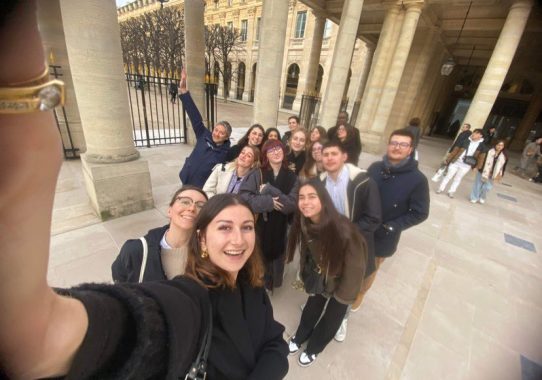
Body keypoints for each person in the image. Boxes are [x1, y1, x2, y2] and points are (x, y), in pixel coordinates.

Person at [0, 5, 289, 379]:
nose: (239, 237)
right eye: (225, 227)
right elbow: (133, 326)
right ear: (201, 239)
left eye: (247, 227)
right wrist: (46, 329)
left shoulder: (252, 284)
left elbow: (276, 344)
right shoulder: (192, 297)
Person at [286, 180, 367, 367]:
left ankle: (314, 348)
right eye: (301, 197)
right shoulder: (306, 222)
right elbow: (307, 252)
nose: (306, 202)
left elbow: (355, 269)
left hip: (343, 280)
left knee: (332, 317)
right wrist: (306, 275)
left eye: (312, 196)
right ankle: (300, 336)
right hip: (320, 277)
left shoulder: (345, 230)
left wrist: (342, 296)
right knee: (311, 308)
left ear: (324, 199)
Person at [319, 141, 381, 341]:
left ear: (344, 156)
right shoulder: (320, 181)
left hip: (355, 244)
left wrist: (345, 233)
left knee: (350, 283)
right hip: (331, 243)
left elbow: (373, 218)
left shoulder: (362, 182)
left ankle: (341, 319)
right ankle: (326, 305)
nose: (329, 158)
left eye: (333, 154)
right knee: (331, 275)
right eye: (325, 154)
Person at [364, 128, 430, 304]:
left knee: (367, 274)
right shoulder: (375, 168)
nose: (397, 147)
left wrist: (391, 226)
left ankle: (350, 308)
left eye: (403, 144)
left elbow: (420, 213)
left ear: (410, 149)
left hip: (382, 236)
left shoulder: (418, 180)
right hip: (361, 229)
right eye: (394, 143)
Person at [112, 186, 208, 282]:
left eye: (200, 206)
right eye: (185, 202)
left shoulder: (209, 253)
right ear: (169, 210)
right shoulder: (135, 250)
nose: (192, 208)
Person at [239, 139, 299, 291]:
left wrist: (270, 190)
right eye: (271, 150)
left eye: (278, 148)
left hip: (280, 229)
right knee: (257, 260)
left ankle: (270, 283)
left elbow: (291, 205)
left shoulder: (292, 177)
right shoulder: (257, 174)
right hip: (259, 228)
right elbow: (244, 197)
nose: (276, 152)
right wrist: (268, 202)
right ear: (266, 155)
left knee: (275, 260)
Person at [178, 68, 232, 188]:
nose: (216, 134)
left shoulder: (226, 153)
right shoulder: (204, 134)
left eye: (221, 133)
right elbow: (194, 116)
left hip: (201, 187)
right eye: (216, 130)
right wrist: (184, 91)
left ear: (227, 137)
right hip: (186, 178)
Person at [436, 128, 486, 198]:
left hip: (466, 165)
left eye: (476, 133)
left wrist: (477, 167)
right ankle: (440, 188)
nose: (474, 134)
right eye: (474, 132)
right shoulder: (465, 141)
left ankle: (451, 191)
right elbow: (455, 151)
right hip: (456, 162)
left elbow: (481, 158)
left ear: (480, 136)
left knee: (458, 178)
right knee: (448, 176)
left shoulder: (482, 146)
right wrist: (448, 159)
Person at [470, 140, 508, 204]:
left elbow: (503, 167)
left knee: (487, 187)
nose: (499, 147)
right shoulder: (488, 151)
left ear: (503, 147)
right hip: (483, 170)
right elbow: (481, 159)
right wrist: (476, 167)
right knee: (477, 185)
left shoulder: (504, 156)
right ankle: (474, 197)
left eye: (501, 145)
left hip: (493, 174)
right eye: (498, 145)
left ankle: (482, 197)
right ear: (495, 145)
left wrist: (501, 175)